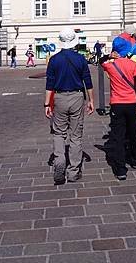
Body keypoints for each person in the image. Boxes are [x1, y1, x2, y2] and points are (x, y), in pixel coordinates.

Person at [44, 27, 94, 185]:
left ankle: (59, 160)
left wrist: (47, 103)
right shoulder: (80, 59)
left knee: (59, 133)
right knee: (76, 135)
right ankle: (73, 171)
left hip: (59, 97)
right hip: (77, 97)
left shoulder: (54, 60)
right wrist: (91, 100)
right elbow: (88, 81)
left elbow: (49, 84)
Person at [101, 37, 136, 180]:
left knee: (118, 136)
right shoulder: (133, 64)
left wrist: (109, 56)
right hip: (132, 102)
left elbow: (100, 61)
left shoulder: (110, 65)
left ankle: (120, 169)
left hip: (117, 104)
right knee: (134, 132)